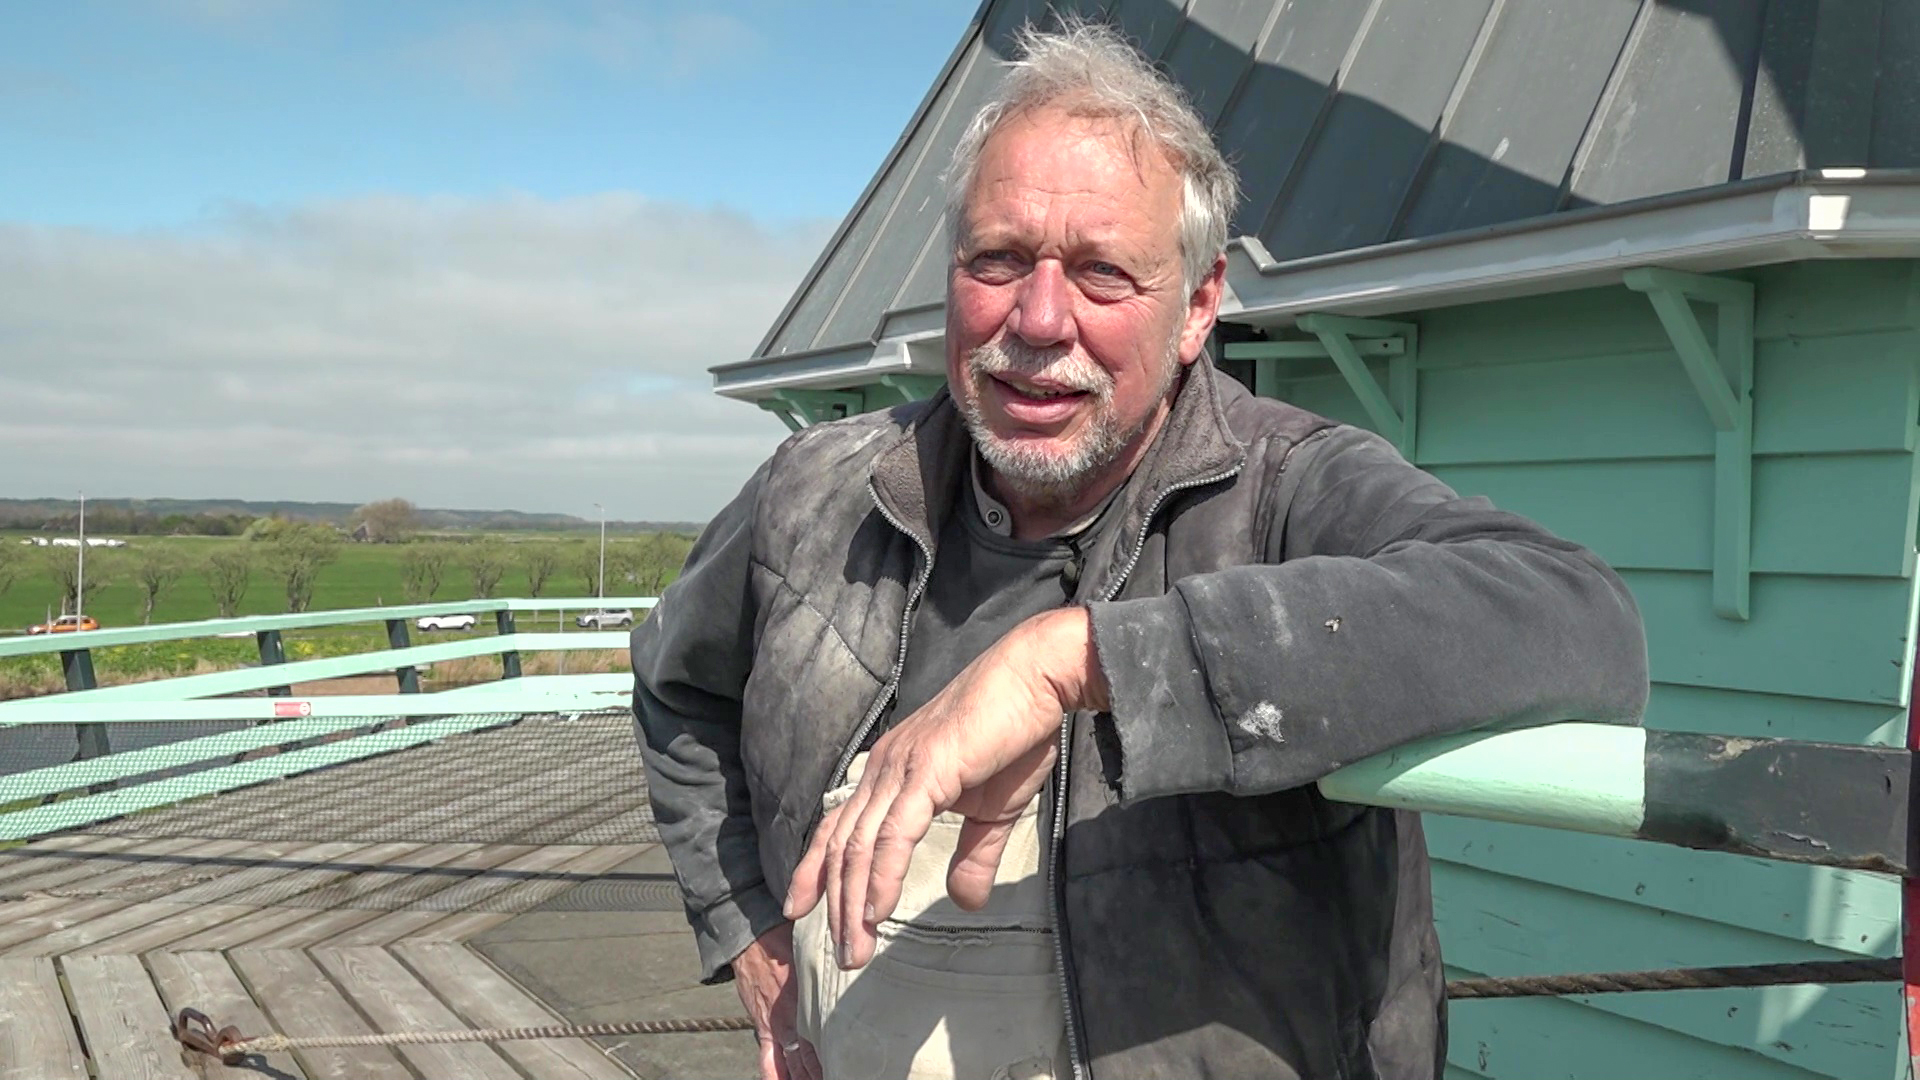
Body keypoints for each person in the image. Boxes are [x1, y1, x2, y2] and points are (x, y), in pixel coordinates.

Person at [633, 19, 1648, 1080]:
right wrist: (747, 927)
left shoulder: (1285, 489)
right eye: (998, 259)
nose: (1037, 319)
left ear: (1199, 304)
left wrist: (1077, 663)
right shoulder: (817, 489)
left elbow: (1580, 623)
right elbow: (677, 690)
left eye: (1103, 273)